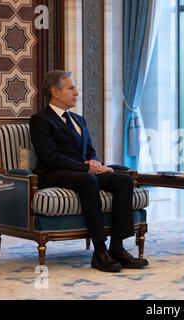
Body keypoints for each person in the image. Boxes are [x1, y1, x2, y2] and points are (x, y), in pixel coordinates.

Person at [30, 70, 148, 273]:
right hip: (54, 173)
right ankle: (100, 252)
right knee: (89, 181)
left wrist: (95, 163)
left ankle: (117, 248)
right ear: (55, 92)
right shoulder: (40, 119)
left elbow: (90, 151)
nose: (77, 92)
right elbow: (50, 157)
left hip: (82, 172)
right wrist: (87, 167)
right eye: (71, 88)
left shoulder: (78, 119)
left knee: (123, 181)